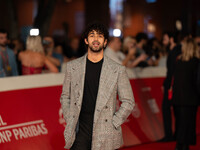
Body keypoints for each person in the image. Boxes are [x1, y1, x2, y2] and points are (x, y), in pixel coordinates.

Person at [60, 22, 135, 150]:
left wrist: (114, 123)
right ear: (86, 40)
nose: (95, 39)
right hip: (79, 130)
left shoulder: (117, 70)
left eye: (100, 36)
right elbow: (65, 97)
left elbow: (128, 101)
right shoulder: (73, 67)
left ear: (105, 42)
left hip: (105, 131)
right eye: (92, 35)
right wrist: (70, 117)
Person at [172, 38, 200, 150]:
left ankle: (181, 146)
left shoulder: (178, 62)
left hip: (177, 99)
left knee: (180, 125)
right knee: (187, 126)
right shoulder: (196, 63)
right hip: (190, 100)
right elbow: (198, 82)